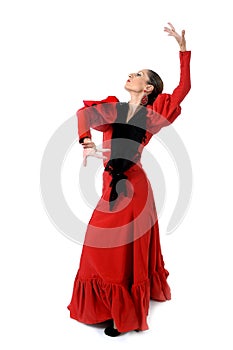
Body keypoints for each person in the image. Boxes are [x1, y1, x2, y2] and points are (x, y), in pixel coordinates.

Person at [67, 22, 191, 337]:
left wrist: (182, 51)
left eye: (139, 75)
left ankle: (123, 315)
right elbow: (83, 115)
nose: (132, 75)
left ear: (148, 88)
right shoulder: (114, 108)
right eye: (132, 72)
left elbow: (183, 89)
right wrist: (85, 141)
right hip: (110, 183)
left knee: (122, 248)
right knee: (99, 244)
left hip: (135, 187)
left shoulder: (155, 114)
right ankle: (106, 305)